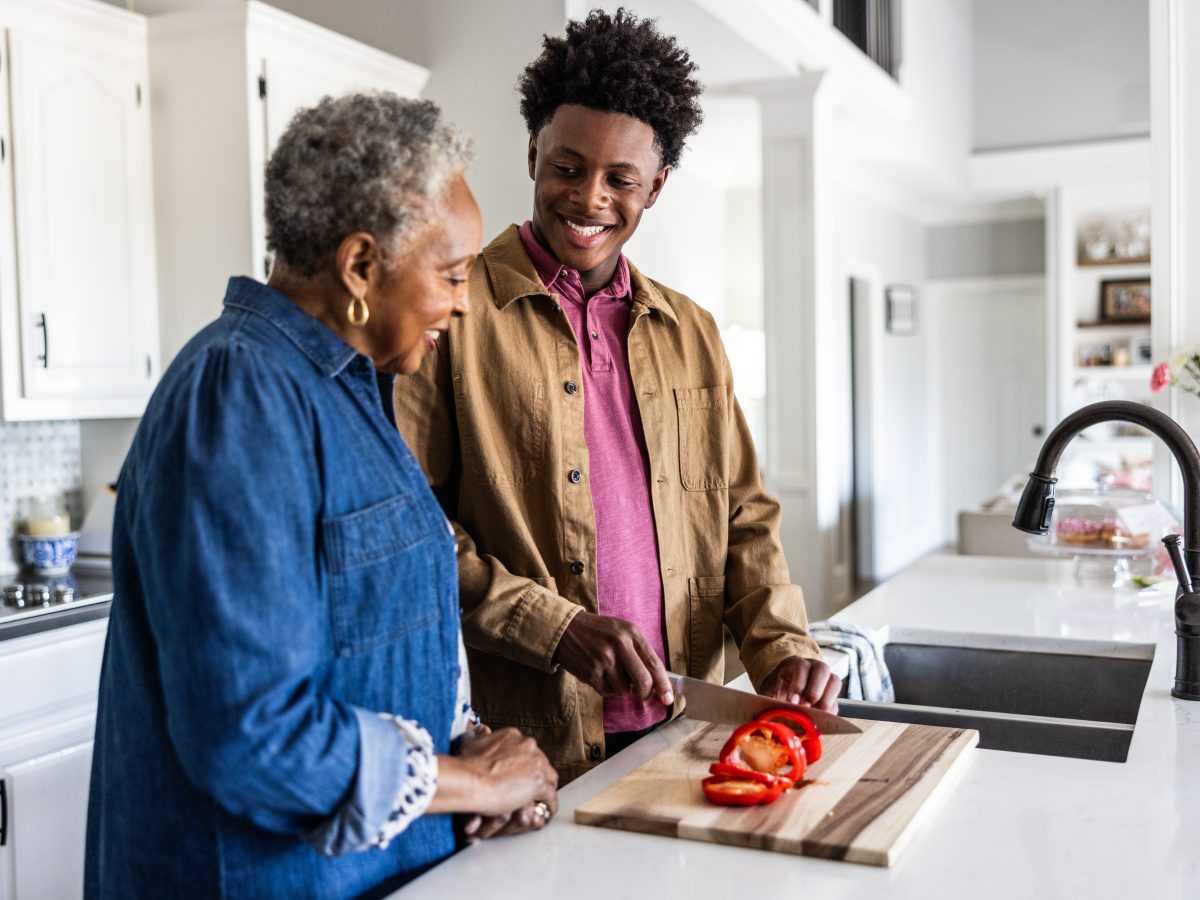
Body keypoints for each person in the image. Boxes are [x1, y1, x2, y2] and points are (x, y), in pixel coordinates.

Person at [85, 93, 558, 900]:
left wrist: (474, 756)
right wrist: (469, 784)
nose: (465, 301)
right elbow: (249, 733)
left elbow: (370, 641)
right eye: (450, 274)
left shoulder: (350, 390)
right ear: (361, 266)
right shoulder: (237, 396)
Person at [393, 9, 841, 784]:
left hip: (683, 738)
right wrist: (554, 627)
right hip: (525, 751)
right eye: (567, 167)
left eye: (620, 179)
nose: (589, 198)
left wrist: (783, 645)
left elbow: (744, 519)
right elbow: (410, 532)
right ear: (533, 151)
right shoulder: (452, 316)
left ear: (656, 187)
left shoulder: (692, 332)